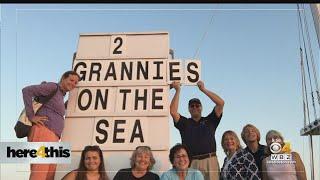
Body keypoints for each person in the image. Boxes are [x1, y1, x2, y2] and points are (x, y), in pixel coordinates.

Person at [22, 70, 80, 180]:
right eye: (71, 80)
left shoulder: (60, 95)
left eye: (76, 83)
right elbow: (26, 91)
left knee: (49, 174)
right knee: (40, 172)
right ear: (63, 78)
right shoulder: (52, 87)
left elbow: (52, 109)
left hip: (53, 136)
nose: (73, 84)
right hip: (43, 132)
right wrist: (31, 116)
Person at [170, 80, 224, 180]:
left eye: (197, 105)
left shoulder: (210, 120)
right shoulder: (185, 123)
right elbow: (173, 112)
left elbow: (220, 103)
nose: (195, 107)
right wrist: (178, 90)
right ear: (189, 109)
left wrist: (203, 90)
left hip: (210, 160)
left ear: (201, 107)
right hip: (191, 163)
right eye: (192, 106)